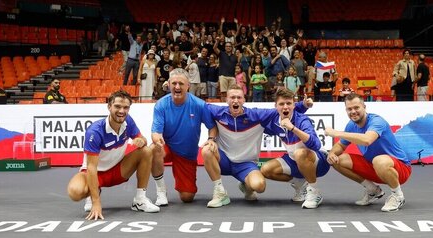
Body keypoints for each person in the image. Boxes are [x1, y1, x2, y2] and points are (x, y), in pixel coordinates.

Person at [202, 85, 313, 205]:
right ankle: (220, 192)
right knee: (207, 149)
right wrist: (211, 138)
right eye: (232, 97)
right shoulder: (216, 112)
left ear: (244, 100)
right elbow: (198, 107)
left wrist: (304, 105)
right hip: (223, 159)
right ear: (226, 99)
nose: (235, 100)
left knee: (259, 186)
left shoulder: (257, 115)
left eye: (239, 97)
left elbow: (284, 109)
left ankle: (246, 186)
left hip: (246, 164)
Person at [67, 90, 160, 220]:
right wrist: (96, 202)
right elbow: (92, 168)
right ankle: (93, 193)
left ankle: (140, 200)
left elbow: (142, 139)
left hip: (118, 170)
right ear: (109, 106)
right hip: (94, 173)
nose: (121, 111)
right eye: (117, 106)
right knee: (75, 192)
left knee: (146, 151)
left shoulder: (128, 121)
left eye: (125, 107)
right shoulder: (95, 131)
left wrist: (141, 141)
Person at [324, 93, 412, 212]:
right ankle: (373, 190)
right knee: (337, 160)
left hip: (399, 169)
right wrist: (332, 153)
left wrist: (336, 133)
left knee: (379, 160)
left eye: (356, 107)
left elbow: (367, 140)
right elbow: (340, 145)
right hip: (374, 167)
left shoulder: (377, 121)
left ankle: (398, 196)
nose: (353, 111)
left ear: (364, 107)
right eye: (349, 109)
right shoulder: (351, 125)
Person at [151, 68, 218, 207]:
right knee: (153, 149)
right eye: (174, 83)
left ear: (188, 85)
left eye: (181, 84)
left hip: (187, 155)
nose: (177, 87)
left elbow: (212, 127)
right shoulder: (161, 105)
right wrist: (157, 139)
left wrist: (211, 139)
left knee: (187, 197)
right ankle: (161, 192)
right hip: (167, 148)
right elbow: (155, 132)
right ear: (168, 84)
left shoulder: (199, 105)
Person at [260, 89, 330, 209]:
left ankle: (314, 193)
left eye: (289, 103)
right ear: (275, 106)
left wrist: (293, 128)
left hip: (318, 161)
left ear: (293, 105)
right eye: (281, 104)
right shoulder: (274, 121)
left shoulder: (302, 120)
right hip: (294, 161)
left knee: (299, 153)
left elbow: (316, 145)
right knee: (266, 169)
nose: (285, 107)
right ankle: (300, 185)